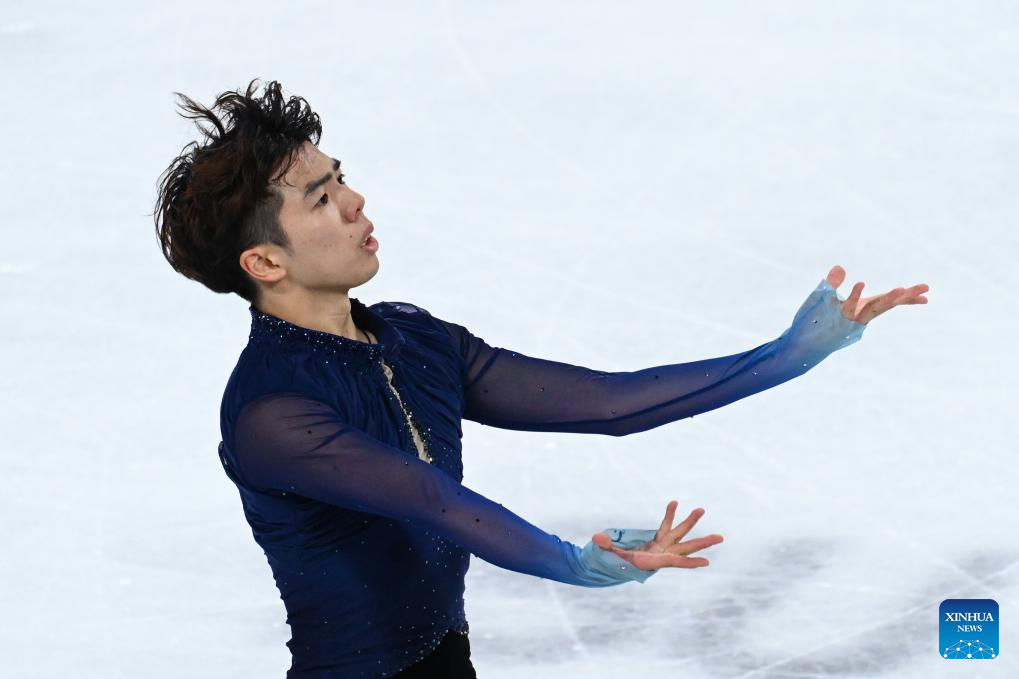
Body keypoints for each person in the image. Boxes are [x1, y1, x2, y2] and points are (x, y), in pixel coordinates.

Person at [152, 78, 930, 679]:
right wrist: (572, 562)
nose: (355, 202)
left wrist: (786, 354)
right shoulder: (273, 412)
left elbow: (607, 403)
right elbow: (431, 499)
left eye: (340, 178)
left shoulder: (415, 337)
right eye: (322, 198)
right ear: (265, 261)